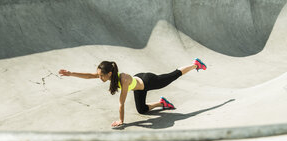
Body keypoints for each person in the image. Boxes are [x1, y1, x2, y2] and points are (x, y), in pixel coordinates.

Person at [59, 58, 207, 127]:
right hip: (137, 84)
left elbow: (121, 103)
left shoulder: (123, 80)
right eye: (99, 75)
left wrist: (122, 121)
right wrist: (71, 73)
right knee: (141, 109)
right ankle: (162, 102)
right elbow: (89, 75)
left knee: (171, 76)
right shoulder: (111, 75)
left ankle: (195, 64)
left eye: (101, 75)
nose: (99, 77)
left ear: (109, 73)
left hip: (147, 81)